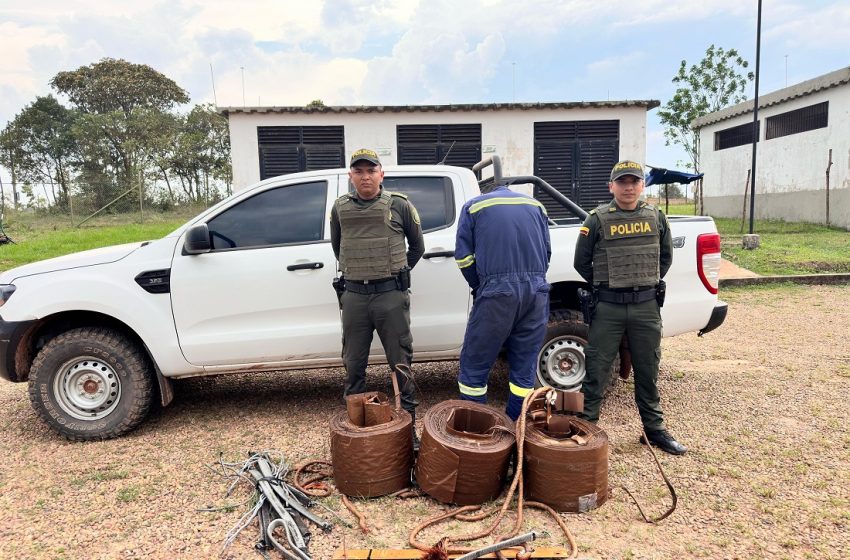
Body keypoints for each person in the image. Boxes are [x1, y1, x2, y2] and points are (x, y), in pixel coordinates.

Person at [573, 160, 686, 455]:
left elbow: (665, 258)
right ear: (611, 186)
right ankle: (586, 428)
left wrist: (643, 283)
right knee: (596, 369)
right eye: (622, 182)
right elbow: (581, 263)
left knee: (648, 369)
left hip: (646, 307)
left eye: (634, 181)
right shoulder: (596, 219)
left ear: (642, 185)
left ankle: (654, 430)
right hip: (608, 307)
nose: (628, 187)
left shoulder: (656, 217)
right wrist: (608, 284)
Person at [330, 148, 425, 441]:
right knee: (354, 365)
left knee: (400, 364)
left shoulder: (399, 205)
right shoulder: (339, 208)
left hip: (389, 297)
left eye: (371, 170)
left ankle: (408, 435)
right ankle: (357, 436)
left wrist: (396, 273)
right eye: (359, 171)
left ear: (381, 174)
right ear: (351, 177)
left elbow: (417, 247)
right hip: (355, 297)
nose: (365, 176)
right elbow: (338, 248)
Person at [454, 183, 551, 421]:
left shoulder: (474, 206)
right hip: (536, 293)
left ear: (485, 190)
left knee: (475, 366)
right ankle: (517, 427)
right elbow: (547, 252)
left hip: (497, 292)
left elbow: (464, 258)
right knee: (524, 366)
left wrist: (480, 285)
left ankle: (478, 431)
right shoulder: (536, 205)